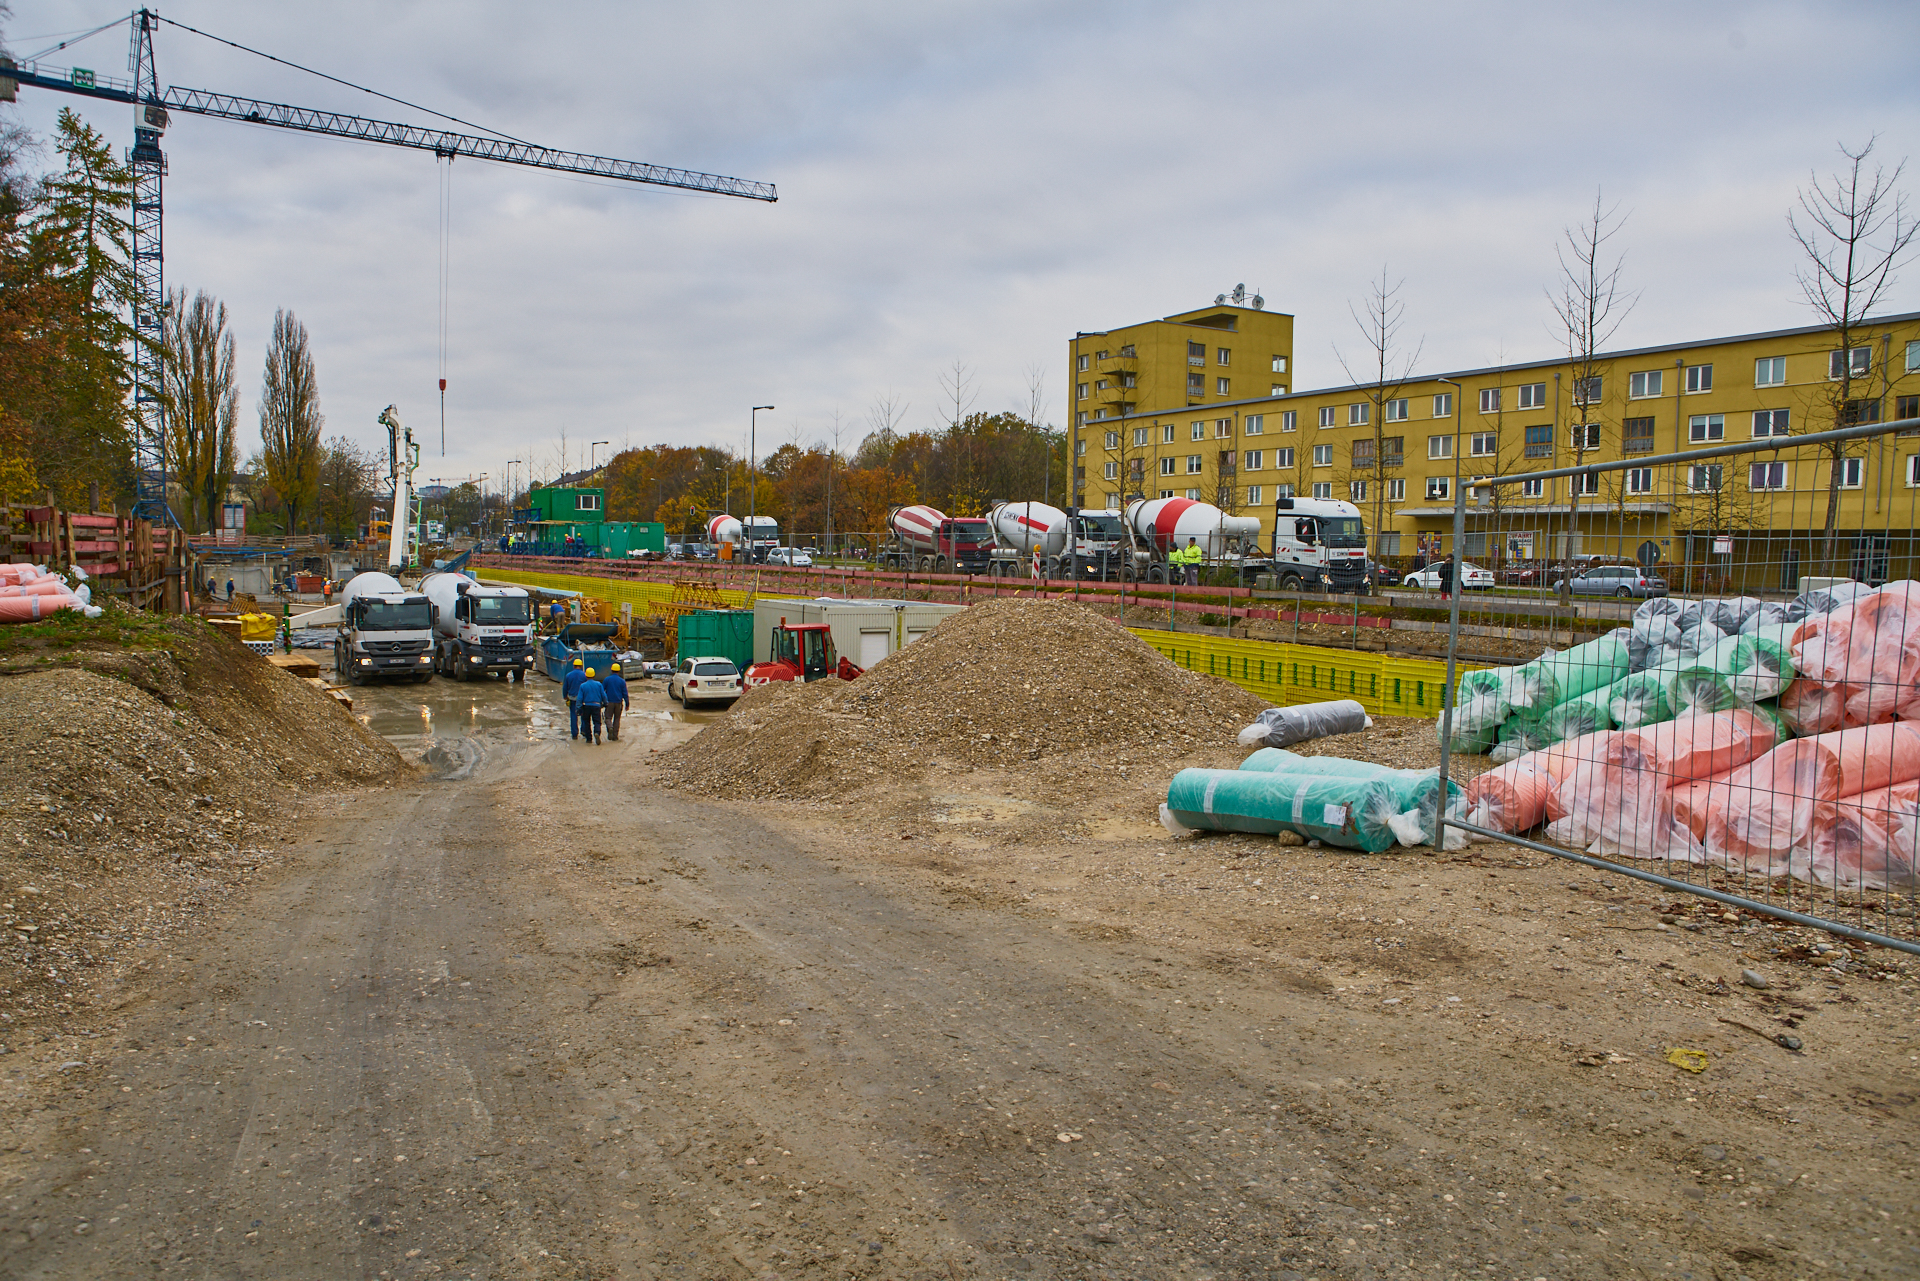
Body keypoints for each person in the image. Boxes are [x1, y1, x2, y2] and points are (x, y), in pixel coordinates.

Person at [576, 666, 607, 745]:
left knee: (586, 722)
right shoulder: (599, 684)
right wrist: (605, 703)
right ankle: (597, 732)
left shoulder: (583, 686)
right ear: (594, 675)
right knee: (597, 721)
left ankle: (589, 738)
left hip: (586, 706)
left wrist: (578, 708)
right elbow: (603, 695)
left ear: (586, 675)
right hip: (596, 706)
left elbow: (579, 698)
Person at [603, 662, 630, 742]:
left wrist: (602, 701)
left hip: (609, 702)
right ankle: (615, 736)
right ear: (619, 671)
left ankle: (610, 727)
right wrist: (627, 704)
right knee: (617, 719)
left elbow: (602, 691)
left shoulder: (607, 679)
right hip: (618, 702)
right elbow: (625, 693)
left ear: (611, 670)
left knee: (607, 718)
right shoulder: (622, 681)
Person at [562, 657, 586, 739]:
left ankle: (574, 734)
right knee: (583, 715)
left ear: (573, 666)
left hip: (572, 698)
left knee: (573, 716)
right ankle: (584, 730)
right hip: (582, 699)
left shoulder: (568, 675)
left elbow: (565, 687)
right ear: (581, 666)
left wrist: (565, 696)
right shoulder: (584, 675)